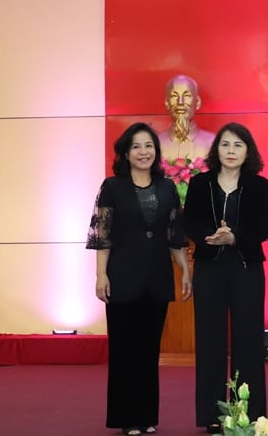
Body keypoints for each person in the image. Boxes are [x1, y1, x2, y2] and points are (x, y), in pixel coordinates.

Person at [86, 122, 192, 436]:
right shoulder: (112, 186)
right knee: (124, 351)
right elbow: (102, 235)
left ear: (155, 152)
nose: (143, 152)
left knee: (148, 352)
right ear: (126, 153)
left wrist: (185, 270)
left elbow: (175, 236)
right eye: (136, 147)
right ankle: (126, 417)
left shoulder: (167, 187)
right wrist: (100, 274)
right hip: (122, 279)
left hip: (156, 280)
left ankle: (147, 417)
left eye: (148, 146)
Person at [182, 123, 268, 433]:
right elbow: (189, 223)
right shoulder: (199, 184)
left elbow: (265, 227)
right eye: (225, 145)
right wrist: (210, 237)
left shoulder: (259, 186)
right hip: (210, 268)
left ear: (248, 151)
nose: (231, 150)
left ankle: (248, 413)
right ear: (216, 150)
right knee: (210, 340)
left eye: (238, 145)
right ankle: (212, 414)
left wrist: (235, 237)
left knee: (248, 341)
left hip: (246, 268)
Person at [157, 74, 216, 162]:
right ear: (167, 103)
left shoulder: (213, 142)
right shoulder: (156, 143)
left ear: (198, 102)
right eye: (174, 96)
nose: (180, 102)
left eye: (186, 96)